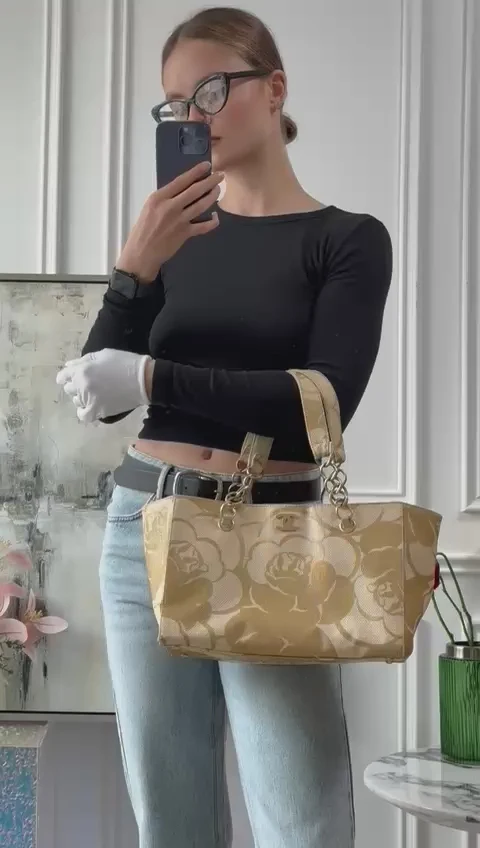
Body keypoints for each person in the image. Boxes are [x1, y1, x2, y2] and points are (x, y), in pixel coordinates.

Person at [57, 7, 392, 847]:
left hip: (271, 535)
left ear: (274, 89)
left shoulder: (347, 241)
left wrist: (154, 376)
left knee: (303, 822)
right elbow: (98, 394)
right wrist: (134, 268)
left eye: (211, 90)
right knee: (171, 821)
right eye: (175, 104)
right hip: (142, 528)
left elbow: (322, 403)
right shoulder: (175, 238)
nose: (192, 116)